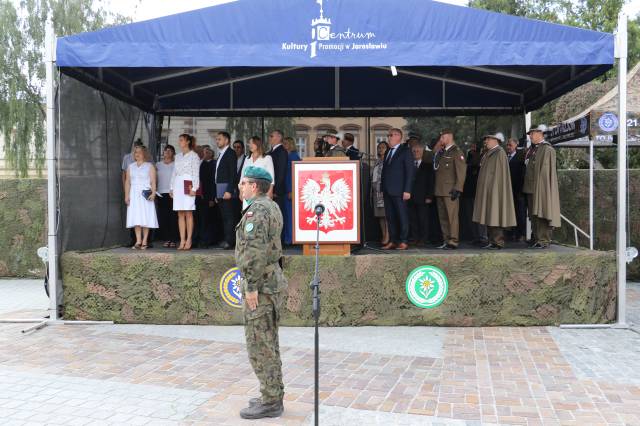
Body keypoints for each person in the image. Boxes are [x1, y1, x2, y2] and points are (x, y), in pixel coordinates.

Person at [235, 166, 287, 420]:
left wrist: (252, 287)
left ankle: (270, 400)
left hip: (262, 285)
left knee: (260, 343)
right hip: (272, 281)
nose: (240, 187)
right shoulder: (272, 206)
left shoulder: (256, 211)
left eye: (244, 183)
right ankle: (272, 393)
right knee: (269, 341)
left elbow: (254, 252)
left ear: (254, 187)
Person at [472, 133, 517, 249]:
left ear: (495, 140)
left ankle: (498, 242)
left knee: (495, 215)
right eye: (485, 139)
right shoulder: (488, 153)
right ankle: (492, 241)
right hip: (488, 191)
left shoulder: (499, 153)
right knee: (489, 216)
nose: (485, 141)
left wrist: (495, 190)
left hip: (495, 191)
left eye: (488, 139)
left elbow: (500, 175)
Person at [522, 124, 561, 249]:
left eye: (533, 133)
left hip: (540, 188)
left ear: (541, 133)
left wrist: (541, 188)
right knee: (533, 215)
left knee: (542, 212)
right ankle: (536, 237)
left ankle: (543, 239)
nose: (531, 136)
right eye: (530, 134)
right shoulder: (533, 149)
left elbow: (545, 172)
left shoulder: (547, 149)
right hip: (530, 188)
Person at [381, 128, 415, 250]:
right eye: (388, 135)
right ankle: (392, 240)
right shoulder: (388, 152)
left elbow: (410, 172)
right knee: (390, 217)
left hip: (400, 190)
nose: (388, 138)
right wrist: (382, 188)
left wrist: (408, 190)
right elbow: (385, 171)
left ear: (398, 137)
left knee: (402, 216)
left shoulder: (405, 151)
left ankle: (404, 240)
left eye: (391, 135)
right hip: (387, 190)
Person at [433, 129, 466, 249]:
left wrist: (458, 188)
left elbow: (461, 172)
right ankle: (446, 240)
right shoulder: (442, 152)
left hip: (450, 190)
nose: (441, 140)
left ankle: (453, 241)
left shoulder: (456, 152)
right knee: (443, 218)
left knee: (452, 217)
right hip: (440, 190)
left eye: (442, 137)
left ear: (449, 137)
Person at [170, 133, 201, 251]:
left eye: (182, 140)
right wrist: (171, 187)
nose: (180, 142)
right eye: (179, 140)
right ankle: (182, 239)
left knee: (188, 212)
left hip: (188, 183)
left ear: (188, 141)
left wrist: (194, 188)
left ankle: (189, 239)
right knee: (180, 213)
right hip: (178, 184)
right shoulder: (177, 156)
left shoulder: (194, 156)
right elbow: (174, 172)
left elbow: (196, 173)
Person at [125, 145, 158, 249]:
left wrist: (153, 193)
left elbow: (153, 181)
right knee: (136, 217)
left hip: (145, 193)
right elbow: (127, 182)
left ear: (144, 153)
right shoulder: (131, 166)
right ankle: (138, 241)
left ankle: (145, 241)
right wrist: (127, 195)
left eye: (139, 152)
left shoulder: (149, 166)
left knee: (145, 216)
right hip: (134, 193)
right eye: (135, 152)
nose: (137, 154)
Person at [215, 131, 239, 250]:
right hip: (220, 189)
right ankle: (227, 239)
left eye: (219, 139)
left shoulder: (230, 153)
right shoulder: (220, 154)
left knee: (229, 216)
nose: (217, 141)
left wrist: (229, 190)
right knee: (224, 217)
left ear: (226, 140)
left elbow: (232, 174)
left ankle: (230, 241)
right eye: (217, 139)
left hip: (226, 190)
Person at [408, 142, 435, 246]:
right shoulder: (409, 165)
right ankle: (415, 238)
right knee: (413, 219)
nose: (416, 152)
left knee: (423, 219)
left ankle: (423, 239)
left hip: (423, 197)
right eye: (414, 151)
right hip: (411, 197)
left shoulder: (428, 166)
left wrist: (429, 196)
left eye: (418, 150)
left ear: (422, 152)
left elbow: (431, 182)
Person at [461, 142, 487, 245]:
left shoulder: (481, 161)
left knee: (480, 216)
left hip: (477, 192)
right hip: (468, 192)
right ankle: (476, 236)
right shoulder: (469, 160)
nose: (472, 151)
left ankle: (483, 237)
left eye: (474, 149)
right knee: (470, 216)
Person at [241, 136, 275, 209]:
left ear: (258, 144)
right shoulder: (247, 158)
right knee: (248, 216)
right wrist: (241, 191)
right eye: (249, 143)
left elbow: (271, 178)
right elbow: (242, 177)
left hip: (262, 191)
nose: (250, 145)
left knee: (261, 215)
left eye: (252, 143)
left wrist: (269, 193)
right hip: (248, 192)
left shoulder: (267, 158)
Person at [268, 129, 289, 243]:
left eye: (271, 136)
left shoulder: (281, 151)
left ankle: (279, 241)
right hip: (271, 190)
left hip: (277, 191)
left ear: (279, 137)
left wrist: (275, 189)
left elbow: (281, 172)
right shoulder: (272, 151)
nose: (269, 138)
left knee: (277, 216)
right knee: (272, 217)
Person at [156, 145, 178, 248]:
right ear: (163, 152)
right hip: (161, 193)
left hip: (173, 193)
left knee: (173, 217)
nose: (167, 152)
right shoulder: (158, 165)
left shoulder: (176, 164)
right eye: (166, 150)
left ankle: (173, 239)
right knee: (163, 217)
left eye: (170, 150)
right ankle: (166, 238)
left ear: (173, 153)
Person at [506, 138, 527, 241]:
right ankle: (512, 233)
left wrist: (520, 190)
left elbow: (523, 175)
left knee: (520, 213)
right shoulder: (505, 158)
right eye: (507, 145)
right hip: (508, 191)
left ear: (515, 145)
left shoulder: (521, 158)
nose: (508, 147)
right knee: (511, 212)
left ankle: (521, 234)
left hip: (518, 191)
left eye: (510, 145)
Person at [195, 145, 216, 248]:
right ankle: (198, 238)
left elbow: (212, 182)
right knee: (199, 219)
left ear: (211, 154)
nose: (205, 154)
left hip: (207, 196)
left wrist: (211, 198)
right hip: (198, 195)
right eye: (204, 152)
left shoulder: (212, 164)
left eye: (207, 152)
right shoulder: (200, 163)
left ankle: (206, 241)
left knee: (206, 219)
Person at [283, 136, 301, 245]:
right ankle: (287, 238)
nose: (283, 146)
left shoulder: (294, 156)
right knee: (286, 215)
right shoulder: (287, 156)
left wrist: (292, 190)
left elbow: (295, 175)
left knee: (290, 215)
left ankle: (290, 239)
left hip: (290, 189)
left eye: (285, 143)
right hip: (285, 189)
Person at [371, 141, 390, 245]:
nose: (380, 149)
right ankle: (383, 235)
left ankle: (388, 236)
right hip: (376, 191)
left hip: (384, 190)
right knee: (380, 216)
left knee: (386, 215)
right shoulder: (377, 161)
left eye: (383, 147)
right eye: (379, 147)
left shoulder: (388, 161)